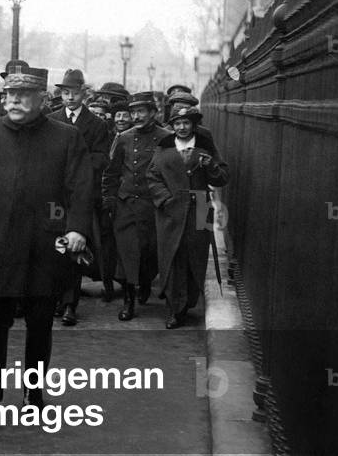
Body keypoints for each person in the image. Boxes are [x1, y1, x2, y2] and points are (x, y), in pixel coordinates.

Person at [0, 69, 93, 420]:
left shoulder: (66, 137)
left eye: (22, 95)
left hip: (44, 247)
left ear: (42, 99)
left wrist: (77, 229)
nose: (12, 100)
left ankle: (33, 395)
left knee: (40, 321)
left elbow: (81, 188)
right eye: (9, 94)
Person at [147, 106, 228, 328]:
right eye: (177, 123)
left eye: (186, 123)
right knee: (173, 256)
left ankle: (189, 299)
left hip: (201, 208)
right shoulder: (164, 148)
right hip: (171, 209)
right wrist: (165, 200)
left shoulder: (205, 147)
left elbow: (222, 177)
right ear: (172, 126)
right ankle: (175, 308)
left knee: (196, 254)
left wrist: (209, 164)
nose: (182, 127)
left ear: (193, 124)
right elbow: (152, 177)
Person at [102, 91, 172, 321]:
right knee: (127, 254)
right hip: (126, 205)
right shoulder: (123, 138)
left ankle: (145, 282)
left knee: (150, 254)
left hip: (154, 207)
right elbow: (111, 172)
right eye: (133, 112)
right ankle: (128, 301)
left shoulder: (166, 137)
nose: (136, 116)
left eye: (141, 111)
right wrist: (110, 199)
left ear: (153, 112)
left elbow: (172, 173)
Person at [50, 69, 113, 321]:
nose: (70, 97)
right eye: (65, 92)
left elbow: (101, 158)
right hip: (53, 196)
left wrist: (77, 165)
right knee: (54, 247)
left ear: (83, 94)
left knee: (76, 246)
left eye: (74, 93)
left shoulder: (96, 124)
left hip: (81, 195)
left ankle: (69, 305)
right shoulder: (51, 119)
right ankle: (55, 298)